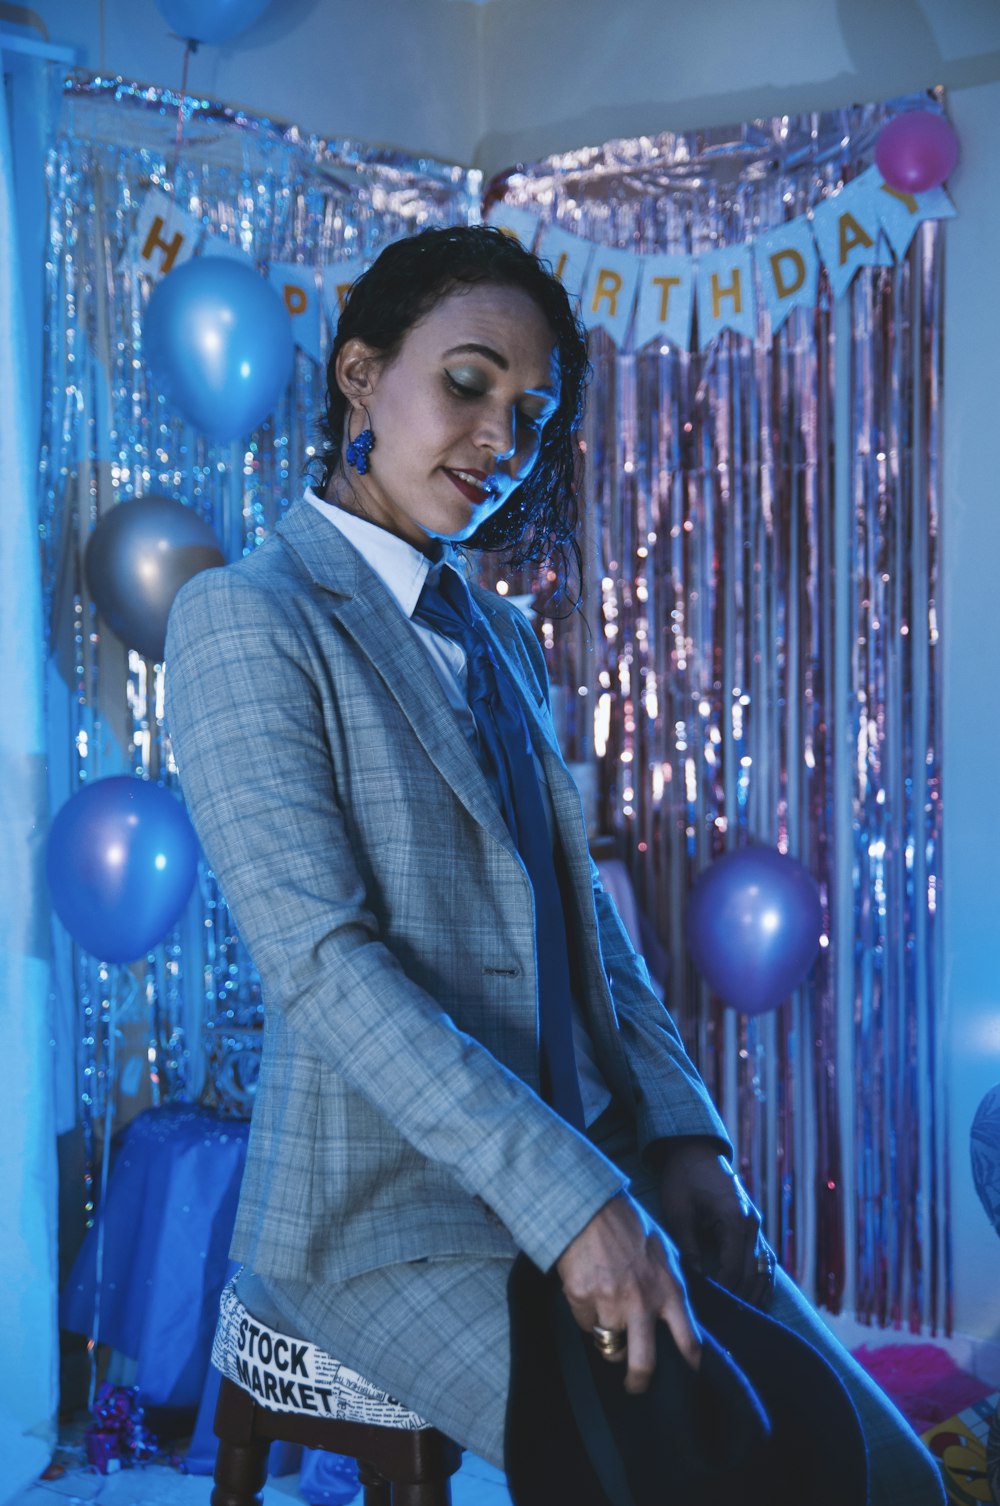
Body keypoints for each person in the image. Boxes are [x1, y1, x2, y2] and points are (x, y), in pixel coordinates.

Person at [164, 225, 944, 1503]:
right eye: (468, 384)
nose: (499, 441)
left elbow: (585, 921)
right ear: (360, 376)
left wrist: (689, 1136)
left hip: (601, 1150)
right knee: (717, 1468)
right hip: (392, 1214)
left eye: (530, 415)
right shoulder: (248, 618)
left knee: (878, 1466)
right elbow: (326, 971)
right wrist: (575, 1206)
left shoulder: (500, 637)